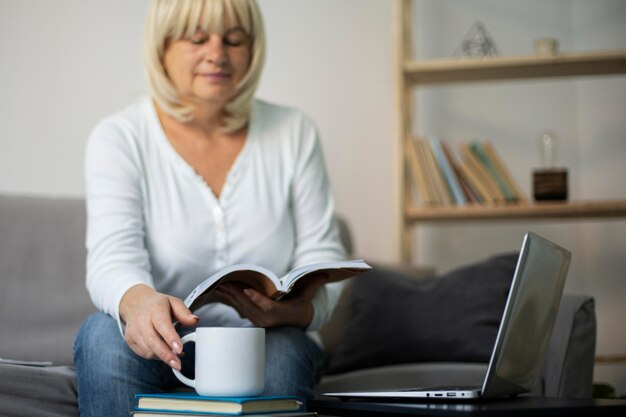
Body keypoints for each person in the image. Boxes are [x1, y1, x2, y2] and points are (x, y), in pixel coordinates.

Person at [72, 1, 347, 416]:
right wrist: (140, 303)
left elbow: (322, 254)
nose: (217, 54)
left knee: (285, 354)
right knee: (101, 337)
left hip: (267, 339)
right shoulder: (120, 138)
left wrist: (300, 310)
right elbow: (113, 258)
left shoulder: (295, 132)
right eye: (197, 38)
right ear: (161, 47)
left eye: (234, 39)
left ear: (252, 48)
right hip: (165, 342)